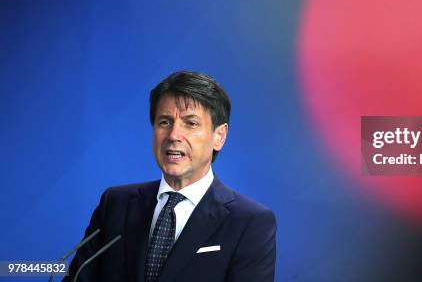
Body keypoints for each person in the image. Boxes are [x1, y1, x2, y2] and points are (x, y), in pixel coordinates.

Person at [64, 71, 276, 282]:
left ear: (219, 136)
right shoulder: (115, 203)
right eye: (164, 122)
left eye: (190, 123)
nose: (173, 135)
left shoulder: (250, 222)